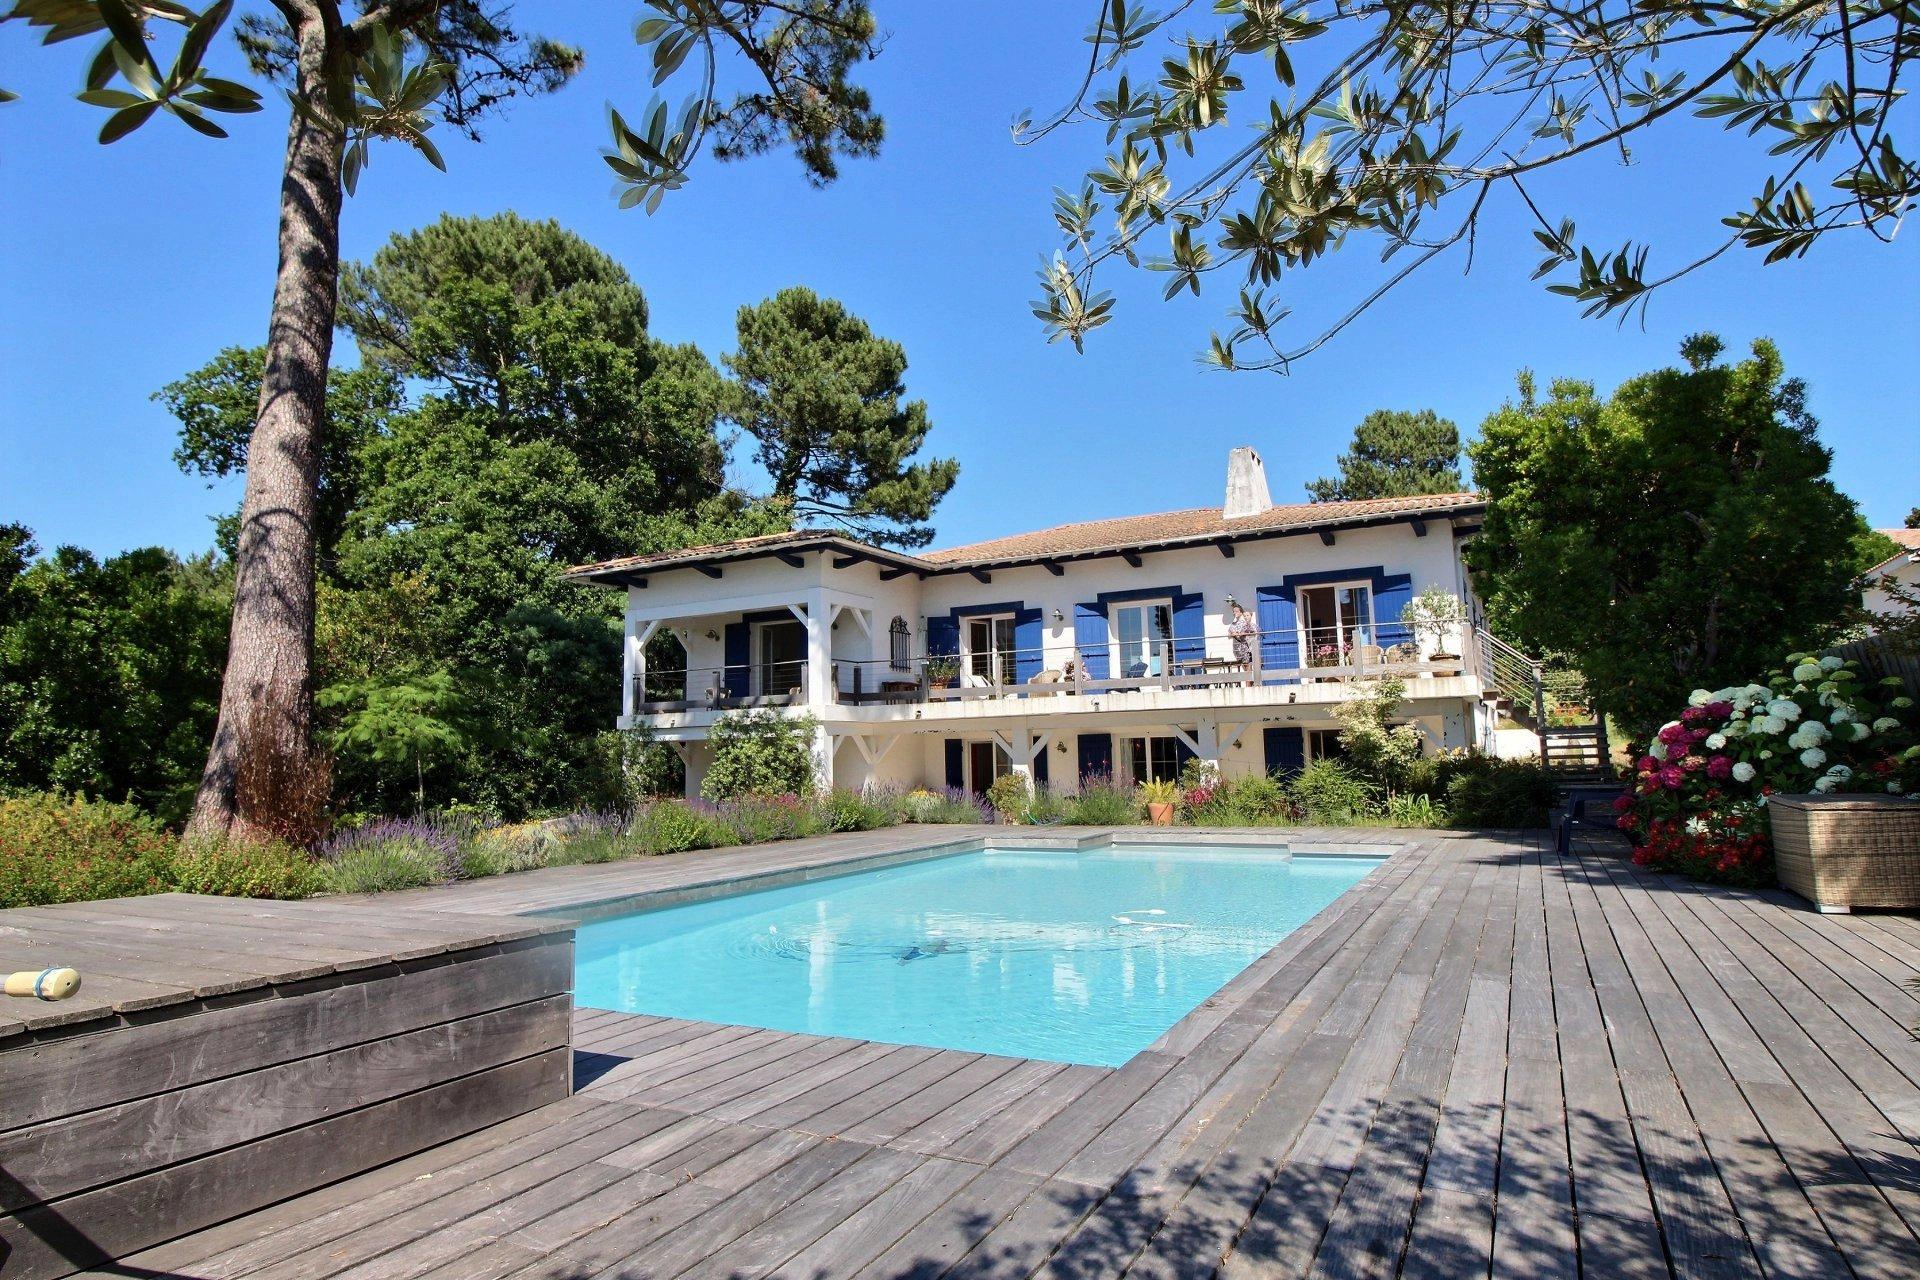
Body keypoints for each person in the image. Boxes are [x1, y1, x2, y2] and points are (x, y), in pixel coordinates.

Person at [1228, 602, 1257, 671]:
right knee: (1244, 668)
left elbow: (1244, 633)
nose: (1234, 613)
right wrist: (1233, 634)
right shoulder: (1233, 623)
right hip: (1236, 648)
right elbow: (1229, 634)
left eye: (1236, 611)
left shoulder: (1244, 622)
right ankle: (1250, 681)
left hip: (1244, 648)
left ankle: (1251, 681)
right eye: (1233, 611)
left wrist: (1236, 634)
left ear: (1241, 612)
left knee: (1248, 668)